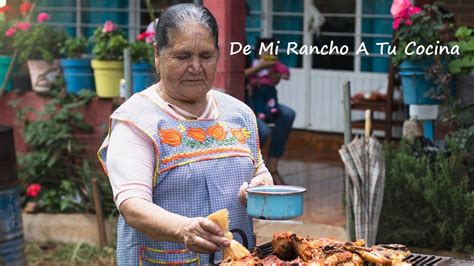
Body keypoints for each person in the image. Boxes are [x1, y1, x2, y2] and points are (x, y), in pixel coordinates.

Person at [97, 4, 273, 265]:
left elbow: (259, 171)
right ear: (158, 55)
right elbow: (132, 205)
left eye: (206, 55)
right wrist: (184, 229)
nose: (196, 67)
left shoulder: (239, 114)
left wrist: (262, 186)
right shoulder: (137, 121)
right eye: (182, 56)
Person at [244, 41, 296, 186]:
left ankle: (273, 164)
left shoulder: (248, 47)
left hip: (266, 97)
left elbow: (281, 74)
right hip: (247, 99)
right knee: (263, 130)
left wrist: (275, 77)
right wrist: (259, 68)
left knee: (287, 114)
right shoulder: (250, 59)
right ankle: (253, 169)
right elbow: (239, 75)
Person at [247, 38, 290, 122]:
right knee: (258, 100)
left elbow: (283, 69)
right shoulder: (255, 63)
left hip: (268, 86)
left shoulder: (274, 63)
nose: (266, 52)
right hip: (257, 88)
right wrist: (253, 82)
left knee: (272, 97)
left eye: (269, 50)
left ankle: (273, 110)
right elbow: (251, 77)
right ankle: (261, 114)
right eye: (263, 50)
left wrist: (283, 74)